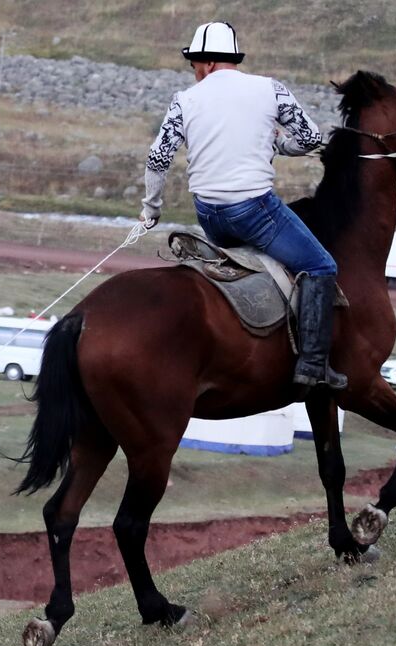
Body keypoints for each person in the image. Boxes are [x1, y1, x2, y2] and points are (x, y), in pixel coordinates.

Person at [139, 21, 345, 391]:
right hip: (254, 211)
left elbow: (158, 159)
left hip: (209, 215)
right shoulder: (271, 90)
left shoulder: (184, 100)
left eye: (194, 65)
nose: (194, 72)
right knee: (321, 265)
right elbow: (311, 138)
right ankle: (313, 364)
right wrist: (277, 144)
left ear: (207, 62)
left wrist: (151, 209)